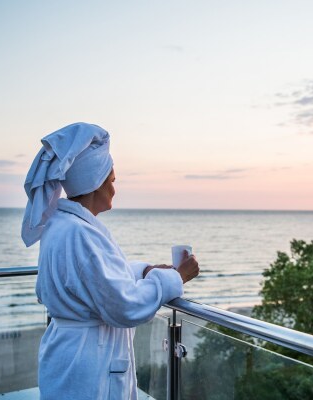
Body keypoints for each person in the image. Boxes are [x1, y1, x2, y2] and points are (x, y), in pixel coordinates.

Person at [21, 122, 199, 400]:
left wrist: (145, 270)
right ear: (95, 181)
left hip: (69, 352)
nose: (115, 189)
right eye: (112, 180)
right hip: (89, 362)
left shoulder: (61, 225)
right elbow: (124, 306)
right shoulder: (79, 233)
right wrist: (177, 278)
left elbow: (93, 276)